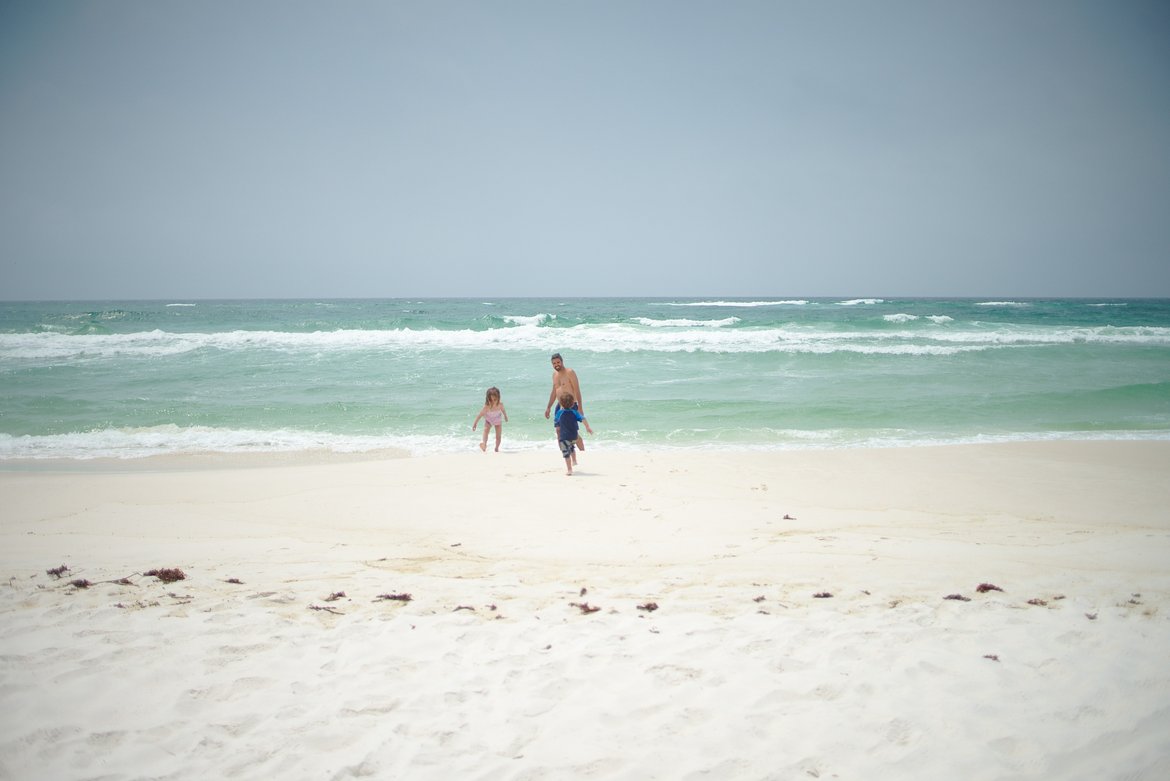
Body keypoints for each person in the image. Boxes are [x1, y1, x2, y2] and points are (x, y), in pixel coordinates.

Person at [544, 352, 585, 451]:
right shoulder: (554, 375)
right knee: (558, 430)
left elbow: (577, 390)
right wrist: (548, 407)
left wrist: (580, 407)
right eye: (554, 363)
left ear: (562, 362)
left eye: (558, 362)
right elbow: (554, 392)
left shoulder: (570, 372)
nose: (556, 365)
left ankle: (583, 451)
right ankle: (565, 453)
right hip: (560, 406)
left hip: (571, 405)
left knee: (572, 432)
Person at [554, 391, 593, 475]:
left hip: (564, 436)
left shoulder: (559, 413)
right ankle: (574, 460)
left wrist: (558, 430)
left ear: (561, 403)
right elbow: (583, 419)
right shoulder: (575, 412)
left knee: (566, 453)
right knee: (571, 447)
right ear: (572, 404)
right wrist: (587, 427)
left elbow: (557, 424)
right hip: (574, 436)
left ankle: (569, 469)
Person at [472, 386, 508, 452]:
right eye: (490, 400)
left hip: (497, 420)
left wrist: (505, 416)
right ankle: (484, 445)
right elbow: (479, 415)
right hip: (489, 420)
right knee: (486, 430)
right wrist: (475, 424)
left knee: (498, 436)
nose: (493, 402)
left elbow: (503, 410)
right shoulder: (487, 407)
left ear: (498, 398)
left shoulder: (500, 404)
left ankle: (496, 448)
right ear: (488, 399)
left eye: (494, 400)